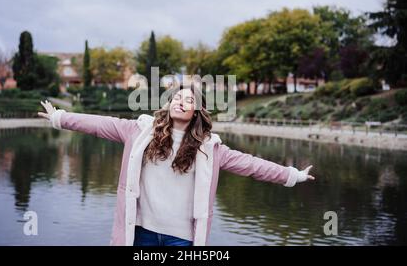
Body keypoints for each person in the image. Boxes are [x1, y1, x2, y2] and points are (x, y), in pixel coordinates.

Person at [38, 84, 314, 246]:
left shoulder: (210, 148)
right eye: (177, 98)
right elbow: (98, 124)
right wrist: (59, 118)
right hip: (141, 233)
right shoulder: (139, 131)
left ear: (197, 111)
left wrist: (292, 175)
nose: (181, 102)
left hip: (181, 239)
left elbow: (252, 165)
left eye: (188, 100)